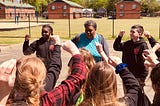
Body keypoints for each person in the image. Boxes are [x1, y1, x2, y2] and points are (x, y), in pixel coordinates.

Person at [1, 40, 87, 106]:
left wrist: (3, 91)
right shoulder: (48, 101)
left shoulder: (5, 99)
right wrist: (75, 52)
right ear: (42, 80)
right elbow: (77, 77)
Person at [113, 25, 149, 89]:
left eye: (133, 32)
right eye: (130, 32)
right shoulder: (127, 44)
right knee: (127, 91)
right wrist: (120, 36)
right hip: (127, 73)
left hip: (138, 75)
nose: (131, 33)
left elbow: (146, 61)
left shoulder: (143, 45)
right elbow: (116, 47)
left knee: (137, 93)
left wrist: (142, 76)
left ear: (139, 34)